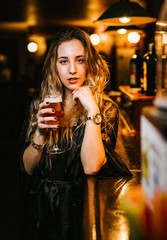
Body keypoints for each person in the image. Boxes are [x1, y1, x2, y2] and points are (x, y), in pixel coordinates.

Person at [18, 26, 132, 240]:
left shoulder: (105, 109)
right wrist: (40, 134)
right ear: (54, 65)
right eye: (64, 61)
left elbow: (91, 166)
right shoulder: (38, 106)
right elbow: (28, 167)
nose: (72, 69)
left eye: (79, 60)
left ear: (90, 63)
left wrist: (93, 111)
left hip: (77, 209)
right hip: (41, 208)